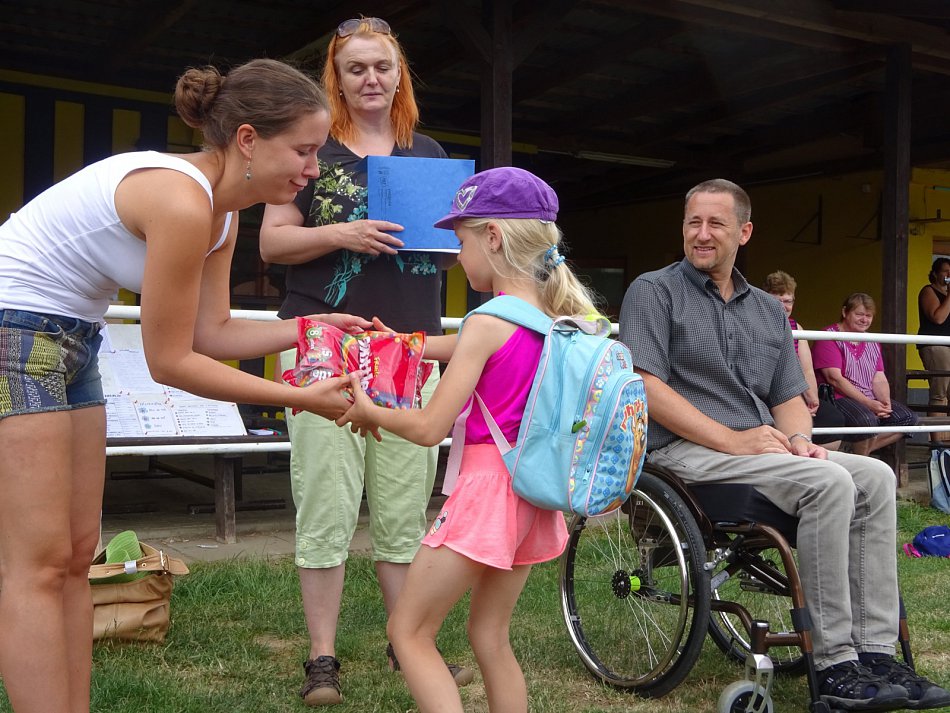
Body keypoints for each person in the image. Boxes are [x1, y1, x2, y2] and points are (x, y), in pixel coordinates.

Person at [0, 59, 366, 713]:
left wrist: (309, 327)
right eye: (304, 150)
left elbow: (211, 332)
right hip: (15, 328)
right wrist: (298, 398)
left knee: (77, 554)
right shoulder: (181, 200)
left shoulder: (222, 214)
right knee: (38, 562)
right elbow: (169, 361)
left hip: (75, 334)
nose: (313, 170)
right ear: (248, 139)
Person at [619, 178, 950, 712]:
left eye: (716, 223)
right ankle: (835, 662)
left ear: (744, 232)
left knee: (876, 476)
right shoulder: (654, 291)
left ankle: (876, 652)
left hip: (758, 448)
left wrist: (799, 440)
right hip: (682, 452)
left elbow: (788, 397)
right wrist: (734, 440)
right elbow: (647, 386)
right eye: (693, 222)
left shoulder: (767, 311)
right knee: (830, 482)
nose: (701, 234)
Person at [258, 17, 468, 706]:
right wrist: (341, 232)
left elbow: (448, 256)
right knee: (326, 504)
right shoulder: (311, 148)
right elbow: (272, 243)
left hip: (407, 348)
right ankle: (322, 658)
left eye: (382, 66)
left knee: (405, 510)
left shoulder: (428, 154)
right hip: (325, 348)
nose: (371, 79)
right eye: (356, 69)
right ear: (337, 79)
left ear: (399, 75)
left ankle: (407, 643)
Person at [337, 166, 595, 713]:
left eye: (461, 242)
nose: (458, 257)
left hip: (485, 497)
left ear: (493, 237)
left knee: (409, 632)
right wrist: (406, 343)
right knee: (490, 636)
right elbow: (472, 349)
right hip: (533, 494)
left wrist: (369, 411)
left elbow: (429, 427)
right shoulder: (553, 320)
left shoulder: (486, 321)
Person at [812, 292, 918, 456]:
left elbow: (879, 377)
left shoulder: (872, 340)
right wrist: (869, 404)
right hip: (837, 397)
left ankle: (854, 453)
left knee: (908, 419)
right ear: (845, 312)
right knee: (867, 420)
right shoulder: (828, 337)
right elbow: (835, 379)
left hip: (868, 397)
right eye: (859, 314)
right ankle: (861, 459)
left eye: (869, 316)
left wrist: (885, 403)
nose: (864, 320)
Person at [764, 270, 845, 450]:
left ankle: (815, 458)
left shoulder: (797, 328)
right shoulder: (758, 324)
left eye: (788, 301)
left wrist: (812, 399)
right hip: (769, 394)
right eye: (778, 301)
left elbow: (807, 369)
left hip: (795, 392)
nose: (783, 306)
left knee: (833, 418)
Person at [916, 257, 950, 442]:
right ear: (936, 274)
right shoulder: (928, 291)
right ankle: (936, 443)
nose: (949, 275)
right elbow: (938, 318)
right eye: (945, 271)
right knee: (939, 393)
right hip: (936, 346)